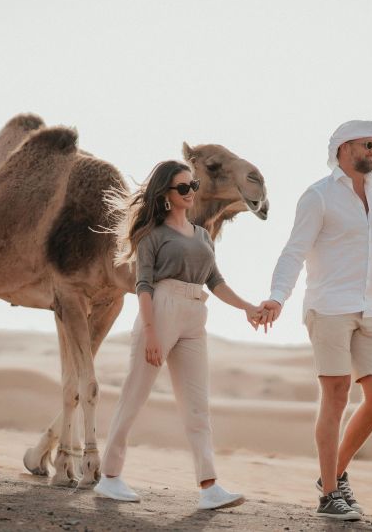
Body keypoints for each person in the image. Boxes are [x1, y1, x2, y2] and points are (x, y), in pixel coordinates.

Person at [257, 120, 372, 521]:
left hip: (369, 308)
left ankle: (334, 474)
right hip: (328, 307)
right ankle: (329, 494)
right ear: (344, 149)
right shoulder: (318, 196)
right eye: (368, 144)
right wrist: (277, 297)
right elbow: (294, 251)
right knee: (337, 393)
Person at [94, 160, 261, 510]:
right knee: (134, 397)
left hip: (194, 315)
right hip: (161, 309)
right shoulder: (152, 236)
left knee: (197, 407)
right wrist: (151, 332)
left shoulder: (201, 234)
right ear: (166, 195)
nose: (190, 193)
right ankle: (109, 477)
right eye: (182, 187)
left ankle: (209, 486)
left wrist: (247, 307)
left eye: (193, 186)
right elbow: (143, 285)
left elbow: (216, 281)